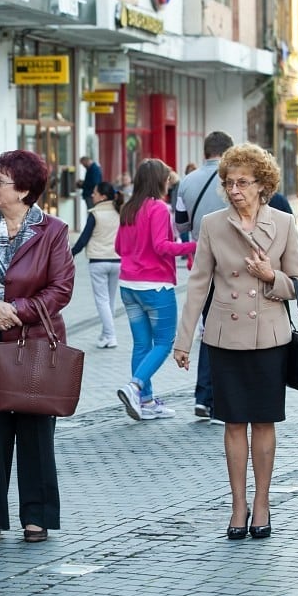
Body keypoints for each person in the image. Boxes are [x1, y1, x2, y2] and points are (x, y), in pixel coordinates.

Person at [172, 143, 298, 541]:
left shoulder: (282, 223)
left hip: (269, 338)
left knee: (264, 422)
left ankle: (262, 503)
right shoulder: (214, 225)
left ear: (263, 186)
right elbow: (198, 284)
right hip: (224, 338)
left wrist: (271, 277)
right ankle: (238, 506)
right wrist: (183, 342)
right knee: (233, 423)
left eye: (243, 183)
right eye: (229, 183)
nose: (235, 190)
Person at [0, 149, 75, 544]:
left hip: (35, 343)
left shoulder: (53, 230)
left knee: (35, 433)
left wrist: (17, 310)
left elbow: (61, 288)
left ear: (23, 190)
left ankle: (36, 517)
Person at [115, 159, 196, 422]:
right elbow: (162, 246)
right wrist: (194, 245)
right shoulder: (158, 208)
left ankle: (146, 401)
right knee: (163, 343)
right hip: (155, 286)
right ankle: (135, 386)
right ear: (159, 181)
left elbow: (118, 247)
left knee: (141, 344)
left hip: (128, 285)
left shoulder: (129, 208)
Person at [174, 131, 234, 423]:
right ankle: (223, 398)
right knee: (232, 333)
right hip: (236, 264)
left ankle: (203, 397)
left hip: (203, 261)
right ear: (228, 152)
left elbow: (181, 223)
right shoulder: (235, 181)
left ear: (205, 151)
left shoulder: (187, 181)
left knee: (210, 330)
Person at [71, 181, 122, 349]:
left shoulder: (95, 214)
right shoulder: (119, 212)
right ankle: (106, 333)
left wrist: (69, 254)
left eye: (95, 192)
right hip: (117, 261)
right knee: (110, 300)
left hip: (98, 262)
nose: (92, 195)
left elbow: (83, 239)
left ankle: (110, 335)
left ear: (103, 196)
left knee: (102, 301)